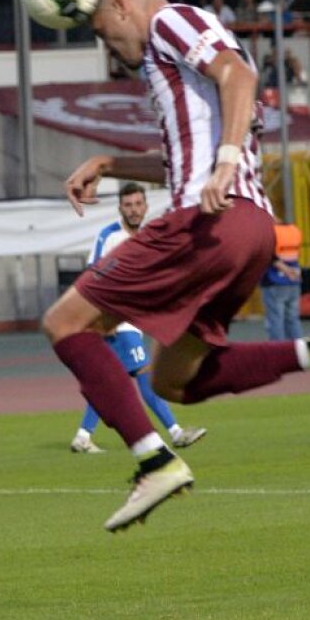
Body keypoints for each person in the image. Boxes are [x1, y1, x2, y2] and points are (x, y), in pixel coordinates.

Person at [44, 0, 310, 533]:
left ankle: (154, 461)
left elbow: (239, 74)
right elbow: (188, 154)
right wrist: (110, 165)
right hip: (249, 229)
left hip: (208, 219)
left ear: (120, 7)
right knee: (174, 381)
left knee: (66, 323)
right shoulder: (181, 71)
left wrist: (229, 158)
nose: (112, 51)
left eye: (105, 35)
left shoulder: (169, 21)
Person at [68, 183, 207, 455]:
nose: (133, 209)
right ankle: (176, 432)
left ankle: (83, 436)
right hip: (116, 321)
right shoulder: (108, 237)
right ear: (120, 207)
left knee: (109, 381)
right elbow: (91, 276)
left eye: (137, 204)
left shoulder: (149, 237)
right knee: (144, 375)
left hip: (134, 319)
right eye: (128, 205)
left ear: (145, 206)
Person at [261, 222, 303, 341]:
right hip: (294, 281)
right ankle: (296, 350)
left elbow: (269, 256)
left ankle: (277, 352)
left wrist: (286, 270)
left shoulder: (270, 233)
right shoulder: (294, 231)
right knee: (293, 319)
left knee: (275, 320)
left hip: (274, 281)